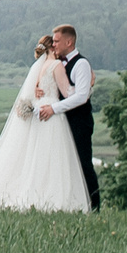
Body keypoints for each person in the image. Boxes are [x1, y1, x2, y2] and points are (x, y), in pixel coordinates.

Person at [0, 33, 91, 212]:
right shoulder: (56, 66)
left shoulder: (40, 66)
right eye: (55, 43)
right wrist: (88, 86)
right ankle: (53, 198)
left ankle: (39, 194)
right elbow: (69, 93)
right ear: (52, 48)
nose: (57, 45)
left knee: (37, 157)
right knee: (53, 158)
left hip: (39, 112)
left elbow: (36, 89)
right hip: (51, 114)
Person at [35, 24, 99, 210]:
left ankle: (94, 207)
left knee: (83, 163)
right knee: (66, 164)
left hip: (79, 122)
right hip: (63, 122)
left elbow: (81, 97)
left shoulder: (81, 64)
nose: (53, 44)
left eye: (56, 41)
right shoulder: (58, 63)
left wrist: (53, 108)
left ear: (69, 42)